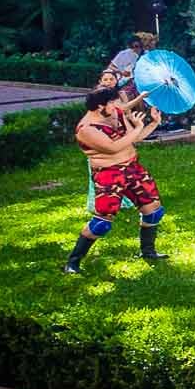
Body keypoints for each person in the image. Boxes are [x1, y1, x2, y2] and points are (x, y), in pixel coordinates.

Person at [64, 85, 167, 274]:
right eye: (111, 103)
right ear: (99, 106)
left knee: (153, 211)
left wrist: (153, 123)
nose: (116, 106)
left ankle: (148, 252)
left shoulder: (116, 113)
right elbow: (114, 147)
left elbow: (133, 138)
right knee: (102, 223)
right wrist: (139, 126)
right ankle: (73, 262)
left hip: (132, 167)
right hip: (109, 173)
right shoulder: (86, 129)